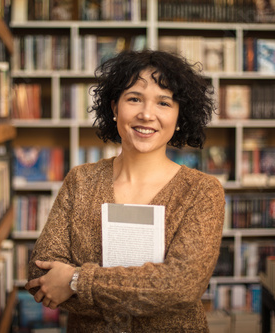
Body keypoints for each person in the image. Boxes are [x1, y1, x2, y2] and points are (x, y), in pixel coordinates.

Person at [25, 49, 225, 332]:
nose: (146, 114)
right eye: (134, 99)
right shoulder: (80, 181)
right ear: (115, 108)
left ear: (180, 116)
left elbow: (181, 287)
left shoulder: (202, 191)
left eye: (164, 103)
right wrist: (146, 292)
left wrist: (75, 281)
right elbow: (41, 276)